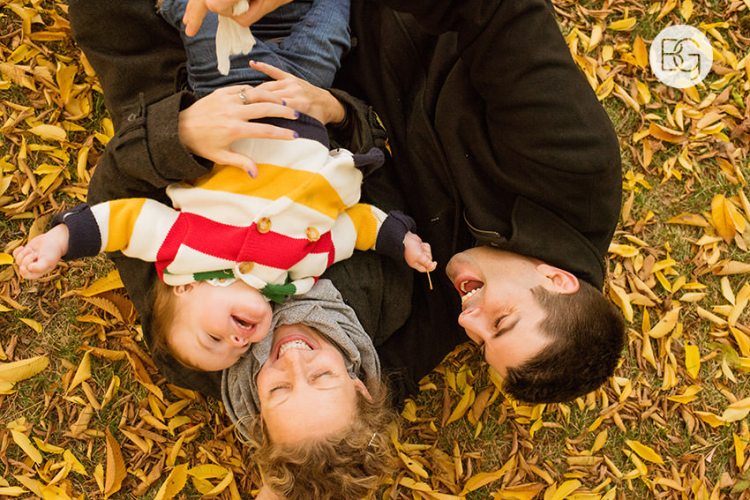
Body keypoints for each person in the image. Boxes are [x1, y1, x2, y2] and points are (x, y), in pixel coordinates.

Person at [67, 0, 624, 419]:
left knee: (115, 20)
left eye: (480, 344)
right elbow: (496, 11)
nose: (466, 321)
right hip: (353, 24)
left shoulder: (461, 296)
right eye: (500, 322)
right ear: (556, 279)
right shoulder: (574, 161)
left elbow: (371, 387)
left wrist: (279, 422)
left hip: (266, 111)